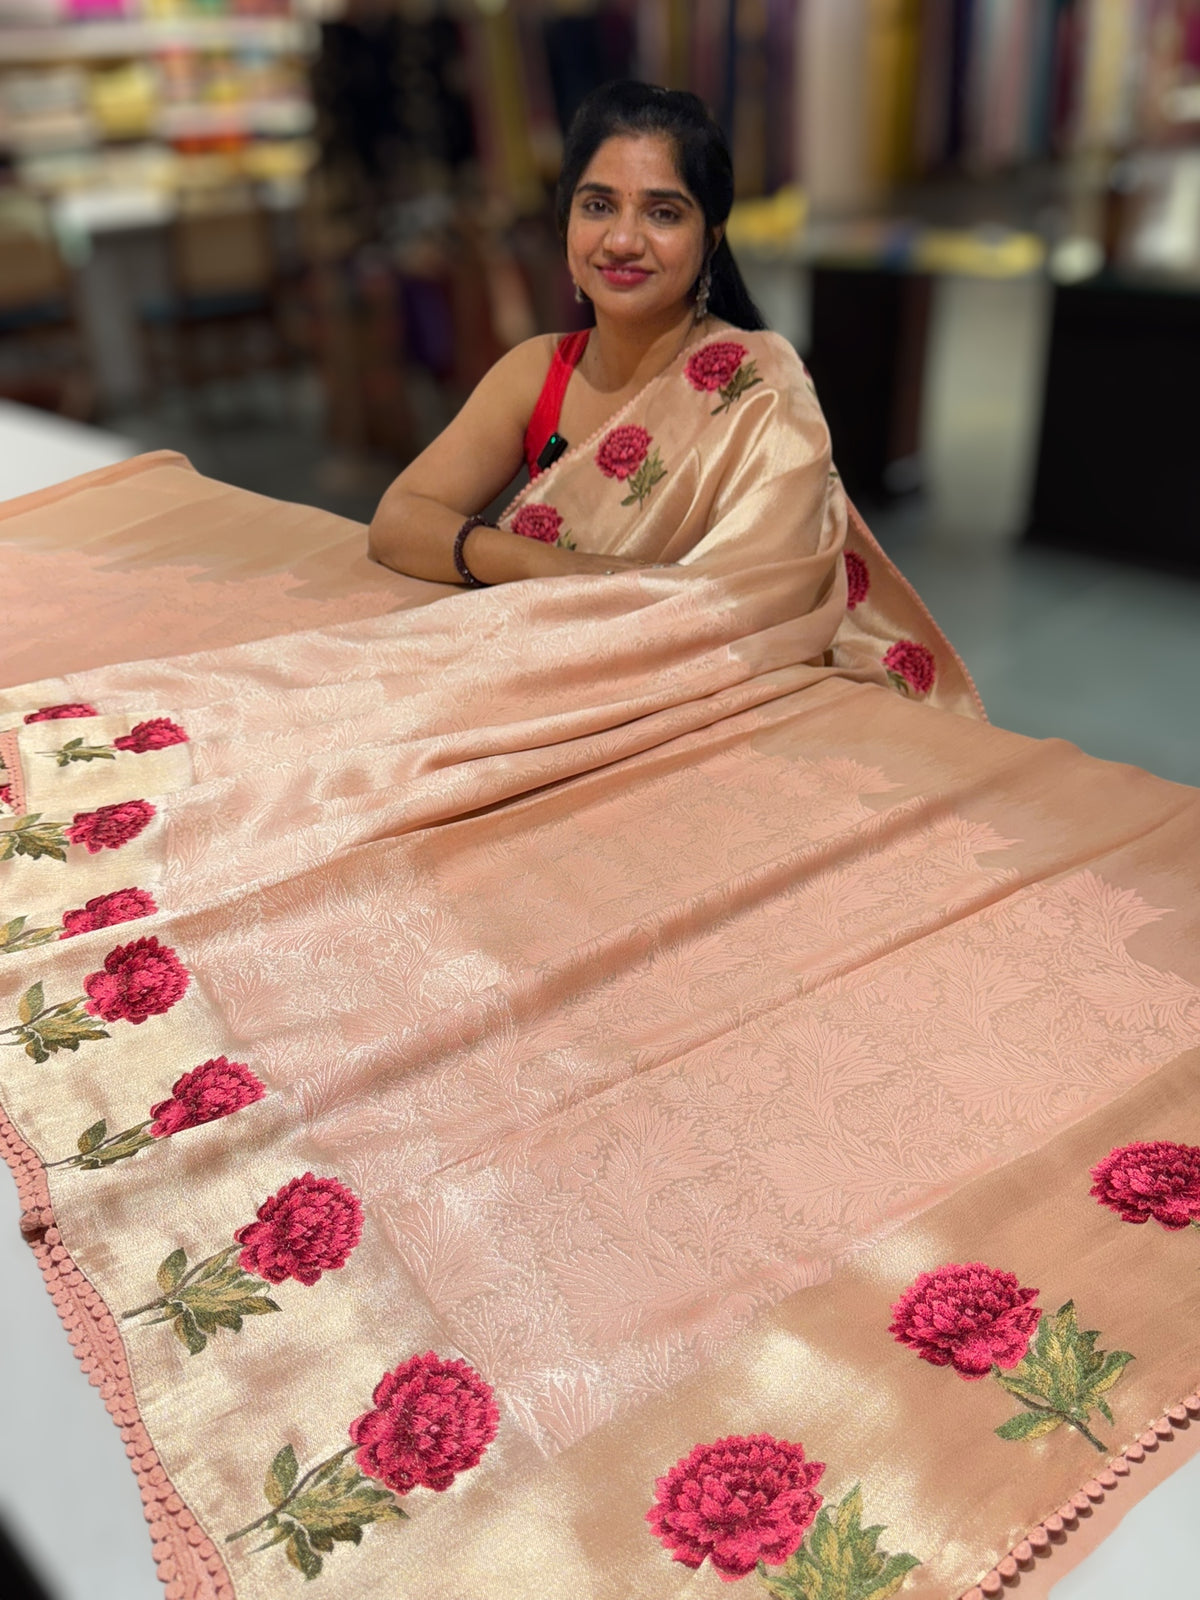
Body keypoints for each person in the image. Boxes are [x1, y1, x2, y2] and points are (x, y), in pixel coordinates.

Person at [367, 80, 769, 586]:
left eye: (662, 213)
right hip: (558, 645)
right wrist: (554, 566)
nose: (621, 241)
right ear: (565, 221)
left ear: (710, 236)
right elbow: (398, 521)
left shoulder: (757, 389)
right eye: (598, 206)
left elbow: (771, 591)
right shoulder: (539, 372)